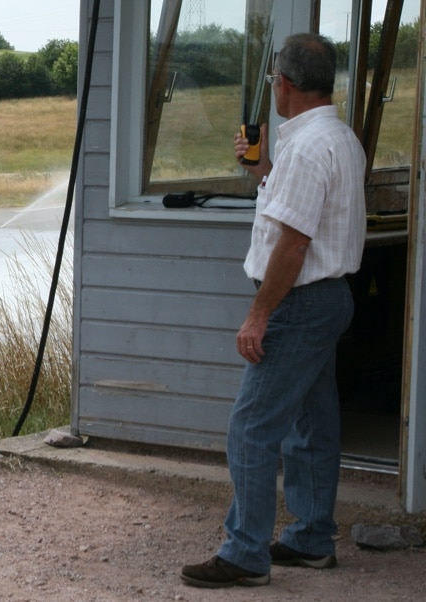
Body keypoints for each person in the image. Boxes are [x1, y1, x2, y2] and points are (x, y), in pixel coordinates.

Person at [180, 32, 366, 589]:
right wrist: (261, 173)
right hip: (328, 300)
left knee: (251, 428)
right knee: (311, 425)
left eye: (272, 82)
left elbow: (293, 245)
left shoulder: (307, 148)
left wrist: (259, 314)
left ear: (284, 84)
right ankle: (311, 540)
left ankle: (244, 553)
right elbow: (300, 213)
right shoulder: (338, 139)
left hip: (298, 302)